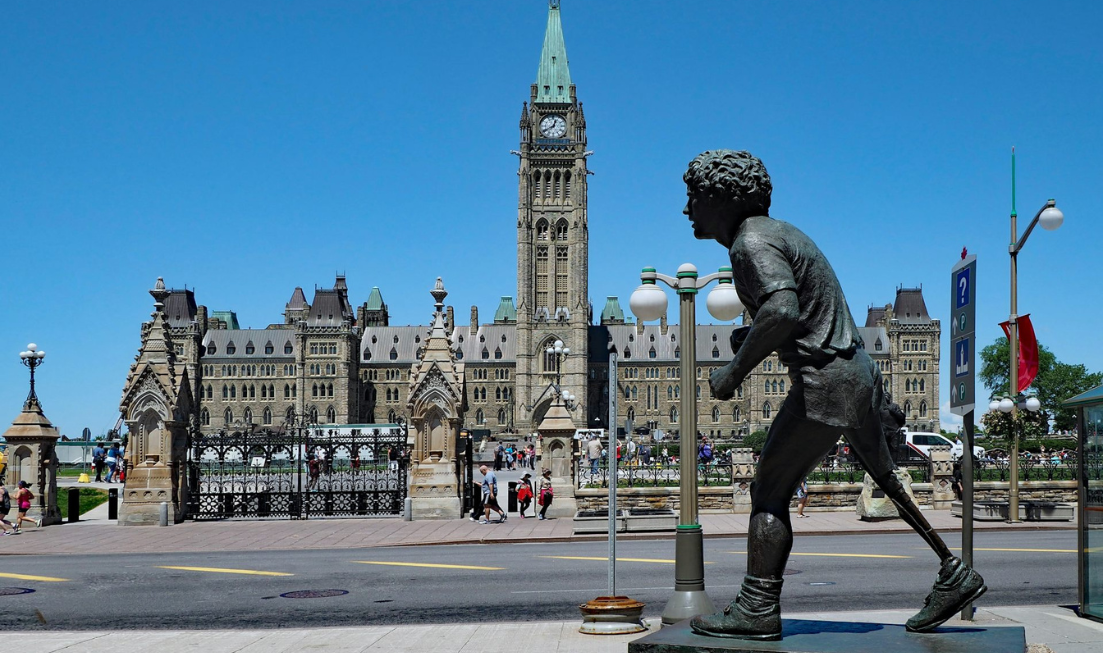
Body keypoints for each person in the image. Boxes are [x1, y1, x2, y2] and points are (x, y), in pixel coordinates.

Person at [684, 150, 984, 639]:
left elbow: (782, 309)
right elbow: (798, 314)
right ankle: (955, 572)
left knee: (768, 492)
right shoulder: (781, 232)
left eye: (695, 197)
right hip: (854, 372)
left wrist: (734, 373)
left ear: (722, 198)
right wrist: (753, 337)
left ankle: (757, 608)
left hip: (825, 379)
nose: (688, 209)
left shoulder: (749, 242)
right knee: (886, 477)